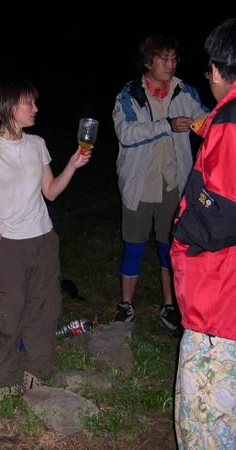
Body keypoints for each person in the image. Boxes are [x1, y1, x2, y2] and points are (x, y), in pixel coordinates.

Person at [0, 80, 90, 391]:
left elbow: (50, 191)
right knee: (7, 314)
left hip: (43, 238)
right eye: (29, 103)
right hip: (8, 243)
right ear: (9, 107)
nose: (35, 108)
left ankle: (37, 367)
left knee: (45, 307)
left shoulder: (37, 144)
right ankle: (6, 376)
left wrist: (73, 165)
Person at [112, 34, 208, 334]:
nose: (171, 64)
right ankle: (126, 304)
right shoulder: (129, 95)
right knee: (134, 244)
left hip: (173, 183)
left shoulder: (183, 91)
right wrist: (166, 125)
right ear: (148, 61)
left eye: (174, 59)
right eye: (164, 59)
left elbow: (207, 120)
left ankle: (169, 305)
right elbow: (127, 133)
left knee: (170, 246)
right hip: (139, 183)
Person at [171, 18, 236, 449]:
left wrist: (181, 231)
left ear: (215, 70)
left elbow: (222, 216)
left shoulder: (230, 121)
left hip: (219, 306)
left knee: (206, 428)